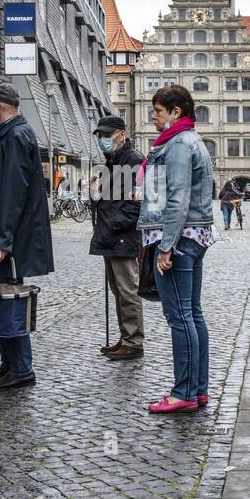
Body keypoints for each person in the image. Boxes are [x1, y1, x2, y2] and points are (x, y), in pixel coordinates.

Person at [138, 84, 214, 414]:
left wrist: (166, 246)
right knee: (192, 314)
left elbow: (177, 198)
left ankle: (183, 391)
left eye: (157, 111)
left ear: (175, 113)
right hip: (192, 237)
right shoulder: (188, 141)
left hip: (179, 239)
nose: (153, 116)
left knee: (180, 317)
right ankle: (197, 390)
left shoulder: (180, 145)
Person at [0, 83, 54, 391]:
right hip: (1, 235)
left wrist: (3, 240)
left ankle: (21, 367)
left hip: (7, 239)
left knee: (8, 301)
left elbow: (12, 191)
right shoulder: (11, 134)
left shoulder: (17, 136)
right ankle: (10, 362)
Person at [90, 115, 145, 361]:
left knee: (127, 291)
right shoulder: (112, 161)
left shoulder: (133, 160)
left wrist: (114, 224)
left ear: (121, 133)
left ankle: (133, 342)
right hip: (110, 234)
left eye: (107, 134)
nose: (103, 139)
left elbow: (138, 202)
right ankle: (126, 338)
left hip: (121, 235)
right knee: (118, 290)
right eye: (100, 135)